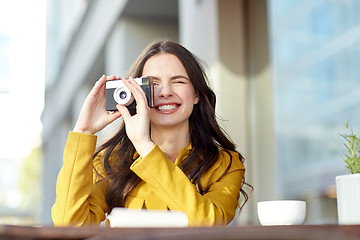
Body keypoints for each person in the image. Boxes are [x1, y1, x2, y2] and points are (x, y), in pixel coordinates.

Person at [52, 40, 250, 227]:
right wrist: (84, 131)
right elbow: (69, 224)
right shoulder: (112, 162)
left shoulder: (225, 165)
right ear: (136, 92)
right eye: (153, 84)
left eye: (178, 81)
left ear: (196, 94)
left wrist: (146, 148)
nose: (165, 92)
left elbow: (209, 223)